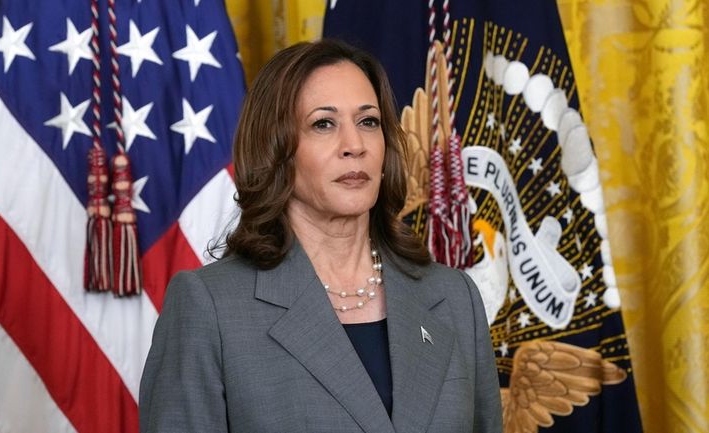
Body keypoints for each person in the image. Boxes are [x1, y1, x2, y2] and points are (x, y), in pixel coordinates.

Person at [139, 39, 502, 433]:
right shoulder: (210, 307)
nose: (354, 146)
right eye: (323, 124)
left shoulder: (454, 298)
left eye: (368, 122)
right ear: (275, 148)